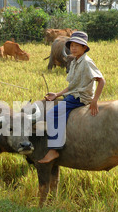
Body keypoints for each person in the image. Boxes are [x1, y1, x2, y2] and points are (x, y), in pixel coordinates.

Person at [38, 31, 106, 164]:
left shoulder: (86, 62)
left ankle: (54, 149)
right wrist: (57, 94)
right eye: (72, 45)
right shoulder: (75, 61)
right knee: (57, 106)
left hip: (80, 98)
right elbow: (72, 86)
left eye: (77, 45)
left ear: (84, 48)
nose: (73, 48)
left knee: (52, 114)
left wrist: (94, 100)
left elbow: (102, 80)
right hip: (73, 95)